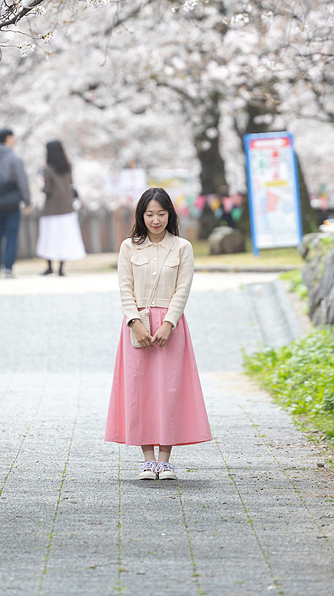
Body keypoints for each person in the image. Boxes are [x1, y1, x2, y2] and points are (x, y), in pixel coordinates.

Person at [105, 187, 211, 480]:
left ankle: (165, 459)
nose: (155, 220)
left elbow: (183, 288)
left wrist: (169, 323)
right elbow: (125, 288)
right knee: (139, 389)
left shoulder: (182, 247)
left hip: (170, 327)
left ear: (170, 215)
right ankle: (146, 459)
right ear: (141, 215)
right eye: (149, 214)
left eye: (161, 214)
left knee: (169, 389)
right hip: (137, 326)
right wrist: (135, 322)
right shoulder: (129, 247)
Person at [0, 128, 31, 277]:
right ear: (9, 138)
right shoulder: (15, 159)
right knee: (11, 235)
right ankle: (8, 267)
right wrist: (27, 201)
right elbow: (22, 181)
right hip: (12, 203)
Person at [36, 140, 86, 276]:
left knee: (49, 238)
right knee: (64, 238)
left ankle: (50, 267)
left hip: (51, 209)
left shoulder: (47, 169)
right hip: (67, 208)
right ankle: (61, 268)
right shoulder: (68, 167)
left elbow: (47, 189)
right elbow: (71, 184)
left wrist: (40, 181)